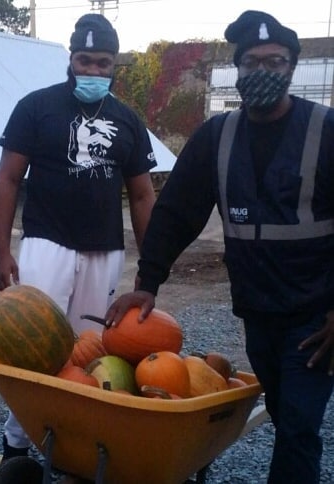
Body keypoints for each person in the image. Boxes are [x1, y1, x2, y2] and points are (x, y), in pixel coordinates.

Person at [105, 10, 334, 484]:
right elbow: (176, 214)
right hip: (257, 311)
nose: (262, 71)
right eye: (251, 62)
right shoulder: (217, 137)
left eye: (274, 61)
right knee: (283, 411)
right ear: (237, 69)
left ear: (292, 67)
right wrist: (147, 284)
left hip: (316, 318)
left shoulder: (326, 131)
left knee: (298, 427)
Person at [0, 13, 157, 460]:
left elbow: (143, 195)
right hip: (46, 244)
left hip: (105, 250)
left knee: (89, 354)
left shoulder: (128, 120)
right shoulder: (36, 107)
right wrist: (2, 251)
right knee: (34, 350)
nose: (93, 71)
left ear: (115, 64)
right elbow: (7, 179)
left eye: (103, 63)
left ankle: (76, 450)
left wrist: (150, 268)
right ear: (70, 58)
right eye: (85, 60)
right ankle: (16, 445)